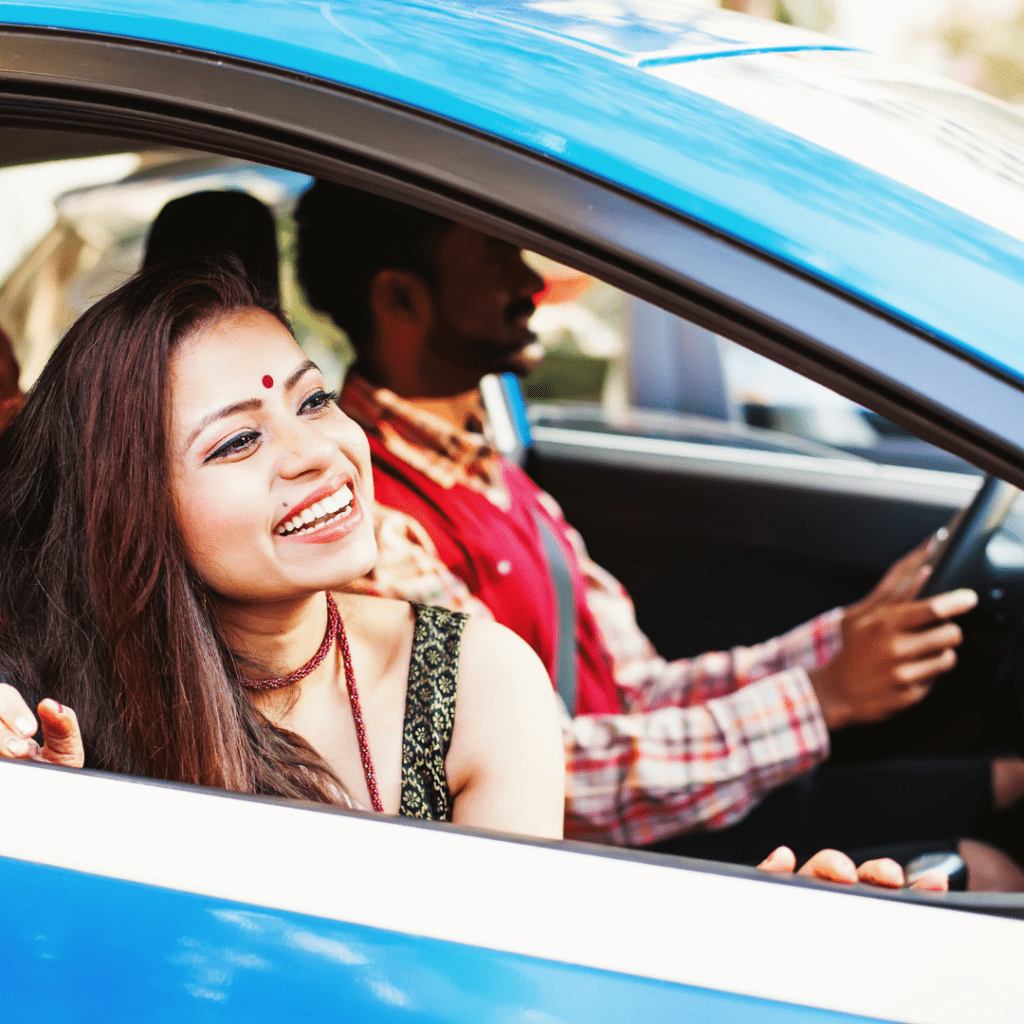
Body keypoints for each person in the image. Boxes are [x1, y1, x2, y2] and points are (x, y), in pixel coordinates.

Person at [294, 181, 1024, 887]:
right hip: (598, 859)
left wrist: (842, 644)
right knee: (987, 870)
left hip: (654, 804)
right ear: (402, 297)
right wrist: (823, 696)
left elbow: (635, 688)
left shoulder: (489, 470)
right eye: (495, 258)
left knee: (1007, 783)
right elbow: (543, 772)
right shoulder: (375, 528)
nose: (531, 282)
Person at [0, 257, 566, 839]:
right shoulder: (39, 712)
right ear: (130, 509)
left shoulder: (479, 683)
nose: (316, 452)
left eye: (314, 401)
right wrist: (49, 823)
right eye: (240, 440)